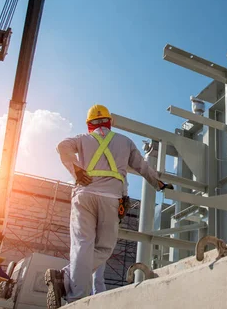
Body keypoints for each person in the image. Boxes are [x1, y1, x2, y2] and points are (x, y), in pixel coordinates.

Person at [45, 104, 173, 308]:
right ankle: (66, 277)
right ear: (110, 122)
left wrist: (76, 169)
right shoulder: (125, 142)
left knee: (82, 245)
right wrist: (159, 183)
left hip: (84, 195)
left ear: (89, 124)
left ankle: (74, 293)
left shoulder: (82, 139)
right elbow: (142, 166)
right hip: (111, 199)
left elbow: (62, 146)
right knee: (104, 249)